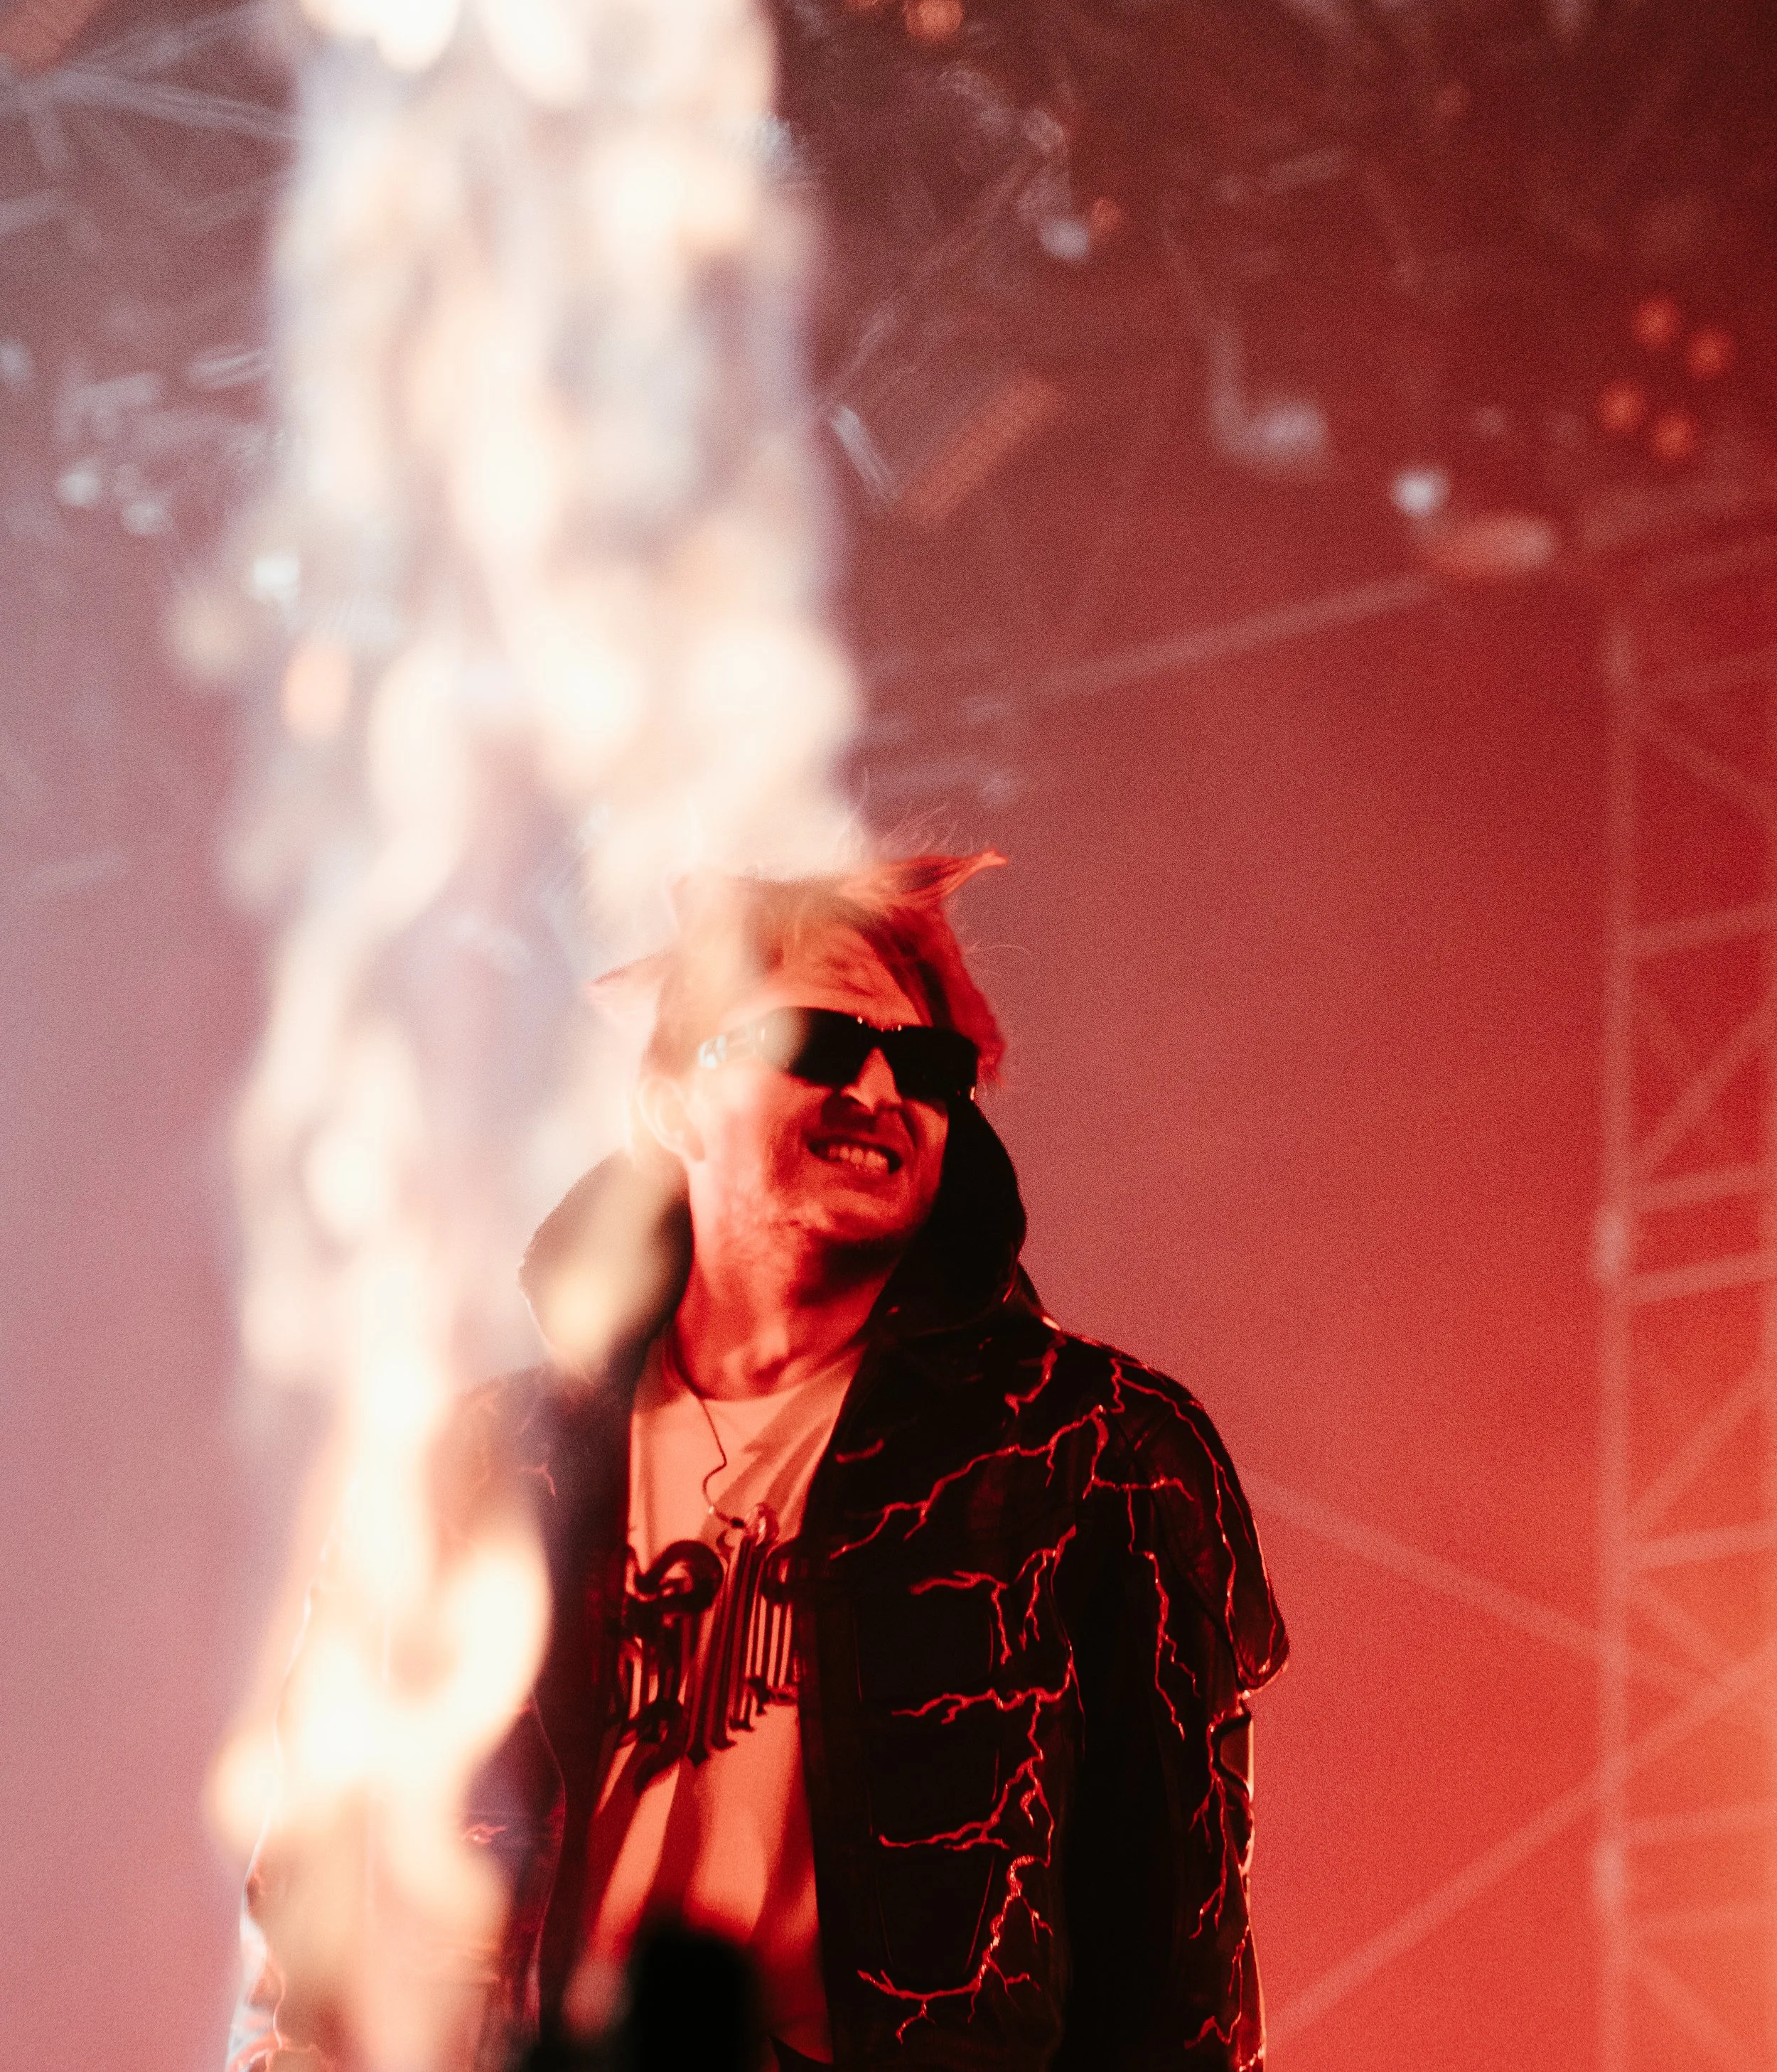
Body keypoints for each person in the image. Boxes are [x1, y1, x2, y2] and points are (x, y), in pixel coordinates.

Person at [233, 852, 1287, 2071]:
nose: (882, 1086)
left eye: (931, 1064)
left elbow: (1182, 1984)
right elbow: (317, 1911)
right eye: (820, 1040)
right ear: (672, 1100)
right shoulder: (468, 1470)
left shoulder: (1094, 1454)